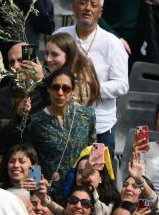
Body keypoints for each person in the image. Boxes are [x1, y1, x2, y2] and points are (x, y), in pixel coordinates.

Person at [54, 0, 129, 154]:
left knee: (98, 176)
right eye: (82, 3)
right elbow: (50, 71)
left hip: (99, 127)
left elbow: (122, 84)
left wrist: (90, 89)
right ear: (74, 8)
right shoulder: (60, 36)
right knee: (64, 176)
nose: (87, 8)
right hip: (62, 123)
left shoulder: (112, 43)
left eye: (93, 5)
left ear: (100, 13)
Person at [25, 68, 96, 196]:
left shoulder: (87, 115)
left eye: (66, 88)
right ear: (48, 89)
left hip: (80, 190)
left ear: (72, 91)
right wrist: (37, 188)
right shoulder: (35, 121)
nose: (60, 92)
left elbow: (92, 147)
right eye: (55, 87)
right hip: (49, 191)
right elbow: (32, 159)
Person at [0, 42, 48, 120]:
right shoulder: (2, 96)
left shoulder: (53, 86)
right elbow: (4, 128)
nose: (15, 66)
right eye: (12, 62)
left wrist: (40, 81)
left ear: (34, 61)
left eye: (20, 60)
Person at [44, 32, 100, 107]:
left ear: (68, 55)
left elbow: (65, 111)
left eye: (55, 54)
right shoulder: (62, 72)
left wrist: (41, 81)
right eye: (47, 53)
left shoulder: (80, 80)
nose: (48, 59)